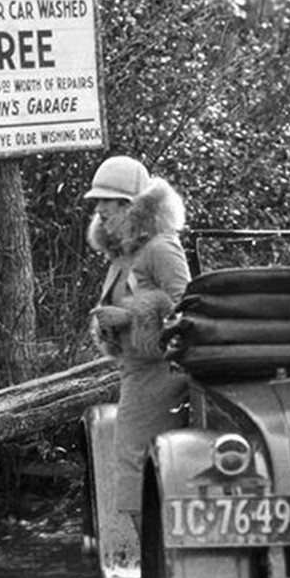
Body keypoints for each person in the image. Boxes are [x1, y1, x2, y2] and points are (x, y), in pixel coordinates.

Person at [85, 155, 190, 536]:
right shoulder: (127, 252)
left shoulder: (161, 247)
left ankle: (162, 561)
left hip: (161, 374)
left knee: (135, 469)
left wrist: (128, 317)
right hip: (136, 371)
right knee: (133, 468)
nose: (98, 209)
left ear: (130, 206)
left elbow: (188, 310)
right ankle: (160, 560)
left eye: (106, 202)